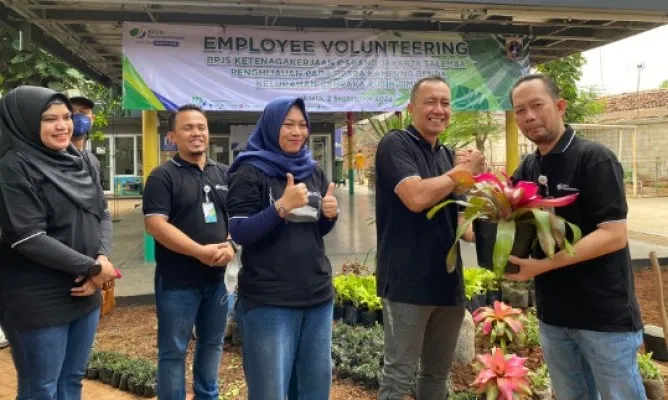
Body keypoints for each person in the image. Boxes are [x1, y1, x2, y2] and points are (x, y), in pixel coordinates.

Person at [507, 73, 645, 399]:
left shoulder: (594, 158)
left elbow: (613, 236)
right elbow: (503, 215)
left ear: (560, 106)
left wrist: (540, 267)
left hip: (603, 316)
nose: (529, 116)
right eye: (520, 110)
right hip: (554, 315)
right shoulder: (527, 167)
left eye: (537, 106)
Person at [0, 85, 117, 398]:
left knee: (71, 382)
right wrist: (91, 266)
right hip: (37, 296)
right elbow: (29, 237)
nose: (63, 125)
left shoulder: (83, 160)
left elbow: (102, 213)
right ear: (25, 122)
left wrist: (102, 259)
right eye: (50, 119)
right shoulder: (12, 166)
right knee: (41, 387)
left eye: (67, 116)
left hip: (85, 292)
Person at [374, 75, 485, 399]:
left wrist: (503, 219)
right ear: (412, 108)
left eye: (445, 103)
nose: (439, 109)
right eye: (430, 102)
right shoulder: (396, 144)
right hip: (407, 284)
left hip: (448, 283)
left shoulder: (446, 155)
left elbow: (463, 225)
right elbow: (416, 197)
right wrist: (460, 173)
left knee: (437, 375)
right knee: (399, 377)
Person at [226, 97, 338, 399]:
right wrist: (280, 207)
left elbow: (317, 230)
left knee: (313, 390)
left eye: (302, 125)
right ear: (271, 125)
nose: (296, 131)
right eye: (288, 124)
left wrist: (329, 214)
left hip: (317, 296)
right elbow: (238, 231)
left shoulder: (312, 169)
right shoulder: (249, 171)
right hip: (269, 300)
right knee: (270, 392)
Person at [143, 104, 234, 400]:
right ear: (172, 137)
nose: (196, 133)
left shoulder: (223, 173)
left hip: (218, 280)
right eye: (188, 127)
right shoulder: (162, 177)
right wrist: (199, 252)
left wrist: (231, 245)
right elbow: (156, 225)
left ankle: (208, 396)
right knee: (173, 351)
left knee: (212, 344)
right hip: (177, 283)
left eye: (201, 127)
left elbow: (237, 217)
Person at [69, 95, 103, 185]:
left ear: (92, 119)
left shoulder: (93, 161)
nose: (77, 116)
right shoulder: (52, 158)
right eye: (71, 113)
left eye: (83, 112)